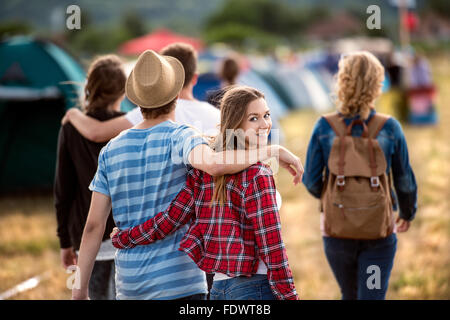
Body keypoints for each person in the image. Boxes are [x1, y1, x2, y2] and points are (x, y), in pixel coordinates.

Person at [71, 50, 303, 300]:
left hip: (130, 285)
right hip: (181, 284)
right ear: (176, 94)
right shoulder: (183, 136)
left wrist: (80, 289)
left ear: (136, 100)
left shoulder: (110, 150)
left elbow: (95, 226)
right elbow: (213, 165)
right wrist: (274, 150)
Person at [111, 85, 299, 300]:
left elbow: (169, 220)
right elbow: (272, 245)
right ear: (236, 124)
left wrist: (125, 238)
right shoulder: (258, 174)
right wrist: (289, 295)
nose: (265, 124)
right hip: (254, 287)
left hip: (218, 290)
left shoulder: (202, 175)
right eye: (253, 119)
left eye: (266, 115)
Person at [302, 51, 417, 300]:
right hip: (379, 232)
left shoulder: (324, 126)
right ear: (378, 85)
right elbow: (404, 180)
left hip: (337, 233)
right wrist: (407, 212)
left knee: (350, 293)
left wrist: (335, 197)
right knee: (372, 295)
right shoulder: (389, 128)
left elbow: (310, 181)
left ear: (342, 81)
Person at [54, 55, 126, 299]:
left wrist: (65, 241)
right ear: (123, 91)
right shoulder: (130, 126)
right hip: (124, 231)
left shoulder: (71, 127)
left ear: (90, 87)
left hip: (84, 234)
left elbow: (63, 189)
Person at [62, 42, 220, 141]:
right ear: (195, 78)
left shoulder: (151, 113)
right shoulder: (216, 115)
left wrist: (73, 114)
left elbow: (97, 133)